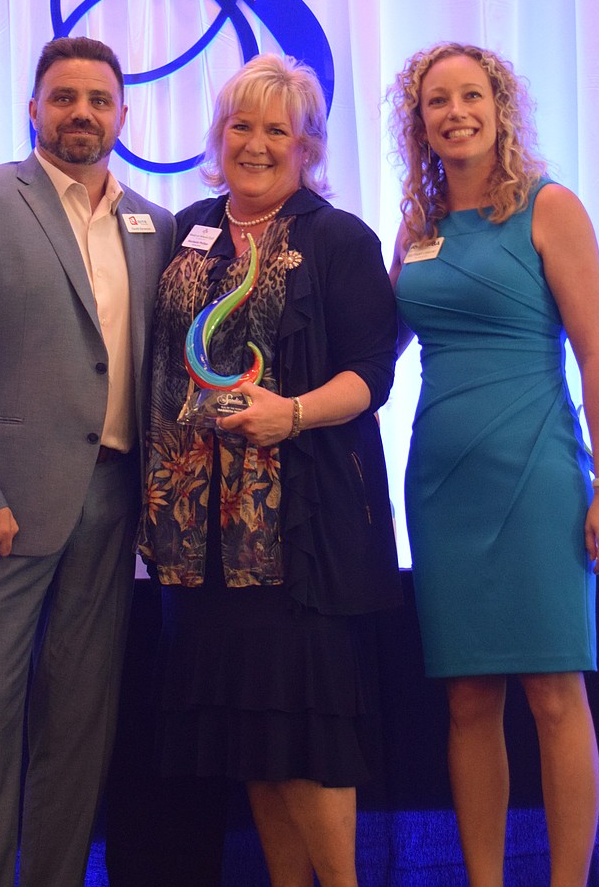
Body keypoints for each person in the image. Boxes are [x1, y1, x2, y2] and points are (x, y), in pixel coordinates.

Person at [0, 36, 175, 887]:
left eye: (98, 99)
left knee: (79, 733)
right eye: (64, 98)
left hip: (113, 502)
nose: (82, 113)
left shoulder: (155, 225)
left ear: (125, 114)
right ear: (33, 108)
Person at [135, 53, 401, 887]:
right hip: (194, 544)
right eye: (240, 125)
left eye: (275, 130)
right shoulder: (187, 226)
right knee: (250, 735)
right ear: (218, 136)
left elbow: (372, 374)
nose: (254, 144)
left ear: (308, 145)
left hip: (297, 533)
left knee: (305, 731)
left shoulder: (338, 239)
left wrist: (291, 414)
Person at [386, 42, 599, 887]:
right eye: (435, 102)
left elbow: (598, 357)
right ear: (416, 123)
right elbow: (376, 354)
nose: (454, 112)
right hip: (440, 483)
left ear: (500, 107)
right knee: (466, 698)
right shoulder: (416, 229)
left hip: (535, 474)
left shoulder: (548, 206)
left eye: (470, 96)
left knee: (554, 693)